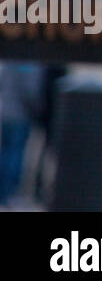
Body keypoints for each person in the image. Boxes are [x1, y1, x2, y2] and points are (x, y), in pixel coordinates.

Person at [0, 62, 44, 205]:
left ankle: (3, 193)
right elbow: (31, 92)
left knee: (6, 153)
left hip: (5, 113)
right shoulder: (29, 65)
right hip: (20, 115)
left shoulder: (9, 64)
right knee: (15, 155)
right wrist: (39, 111)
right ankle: (9, 193)